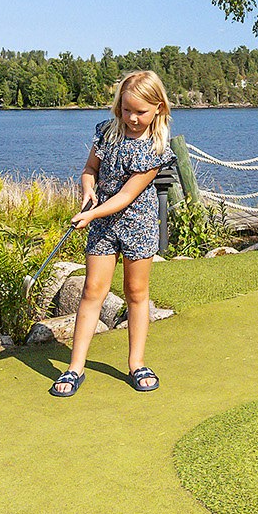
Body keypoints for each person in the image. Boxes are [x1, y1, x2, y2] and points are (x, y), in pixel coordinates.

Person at [51, 70, 175, 397]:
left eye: (141, 112)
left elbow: (126, 197)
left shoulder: (156, 148)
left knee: (136, 291)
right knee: (92, 290)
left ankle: (136, 363)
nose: (132, 118)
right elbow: (89, 169)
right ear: (118, 106)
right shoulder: (107, 133)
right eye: (126, 109)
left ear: (159, 108)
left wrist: (90, 214)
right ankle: (75, 367)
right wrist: (88, 190)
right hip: (104, 223)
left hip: (138, 223)